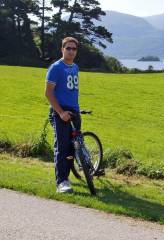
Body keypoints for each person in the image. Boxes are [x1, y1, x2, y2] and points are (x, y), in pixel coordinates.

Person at [45, 37, 81, 193]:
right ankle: (62, 182)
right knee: (62, 147)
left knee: (74, 146)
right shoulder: (56, 67)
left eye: (74, 49)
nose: (71, 51)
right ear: (62, 49)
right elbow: (48, 93)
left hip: (74, 111)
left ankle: (69, 175)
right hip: (60, 112)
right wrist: (60, 112)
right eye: (68, 48)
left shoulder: (75, 67)